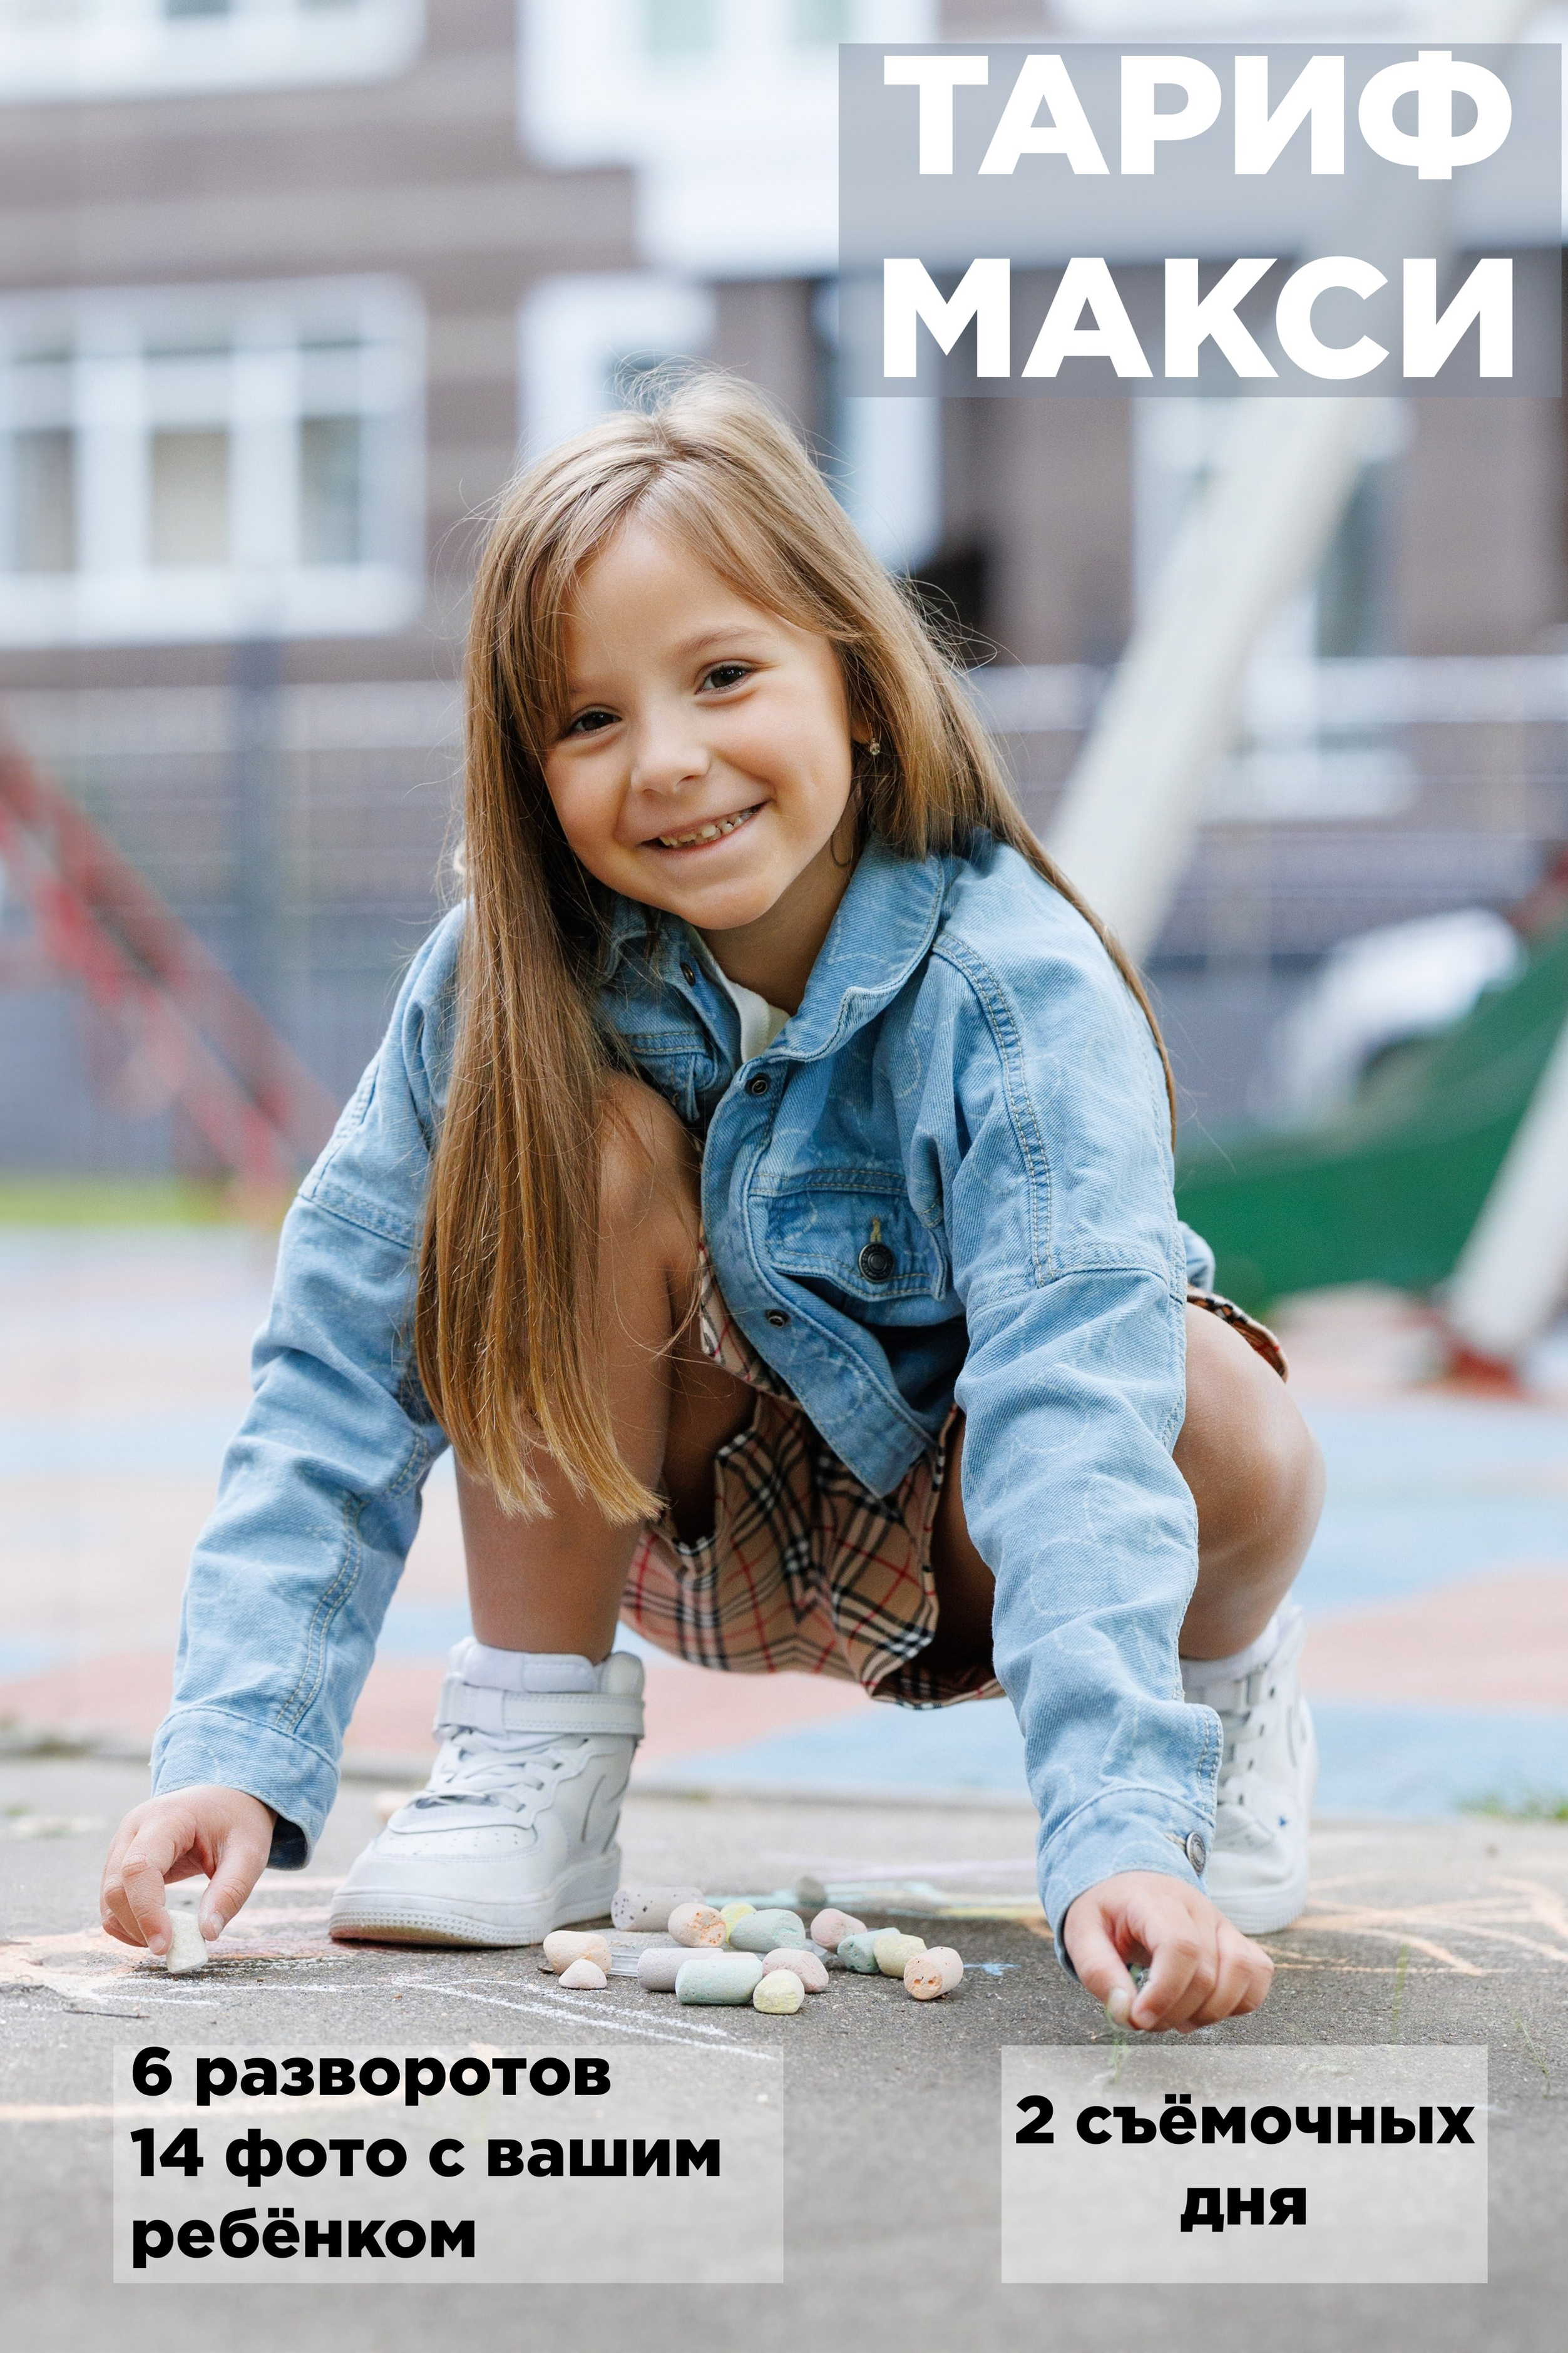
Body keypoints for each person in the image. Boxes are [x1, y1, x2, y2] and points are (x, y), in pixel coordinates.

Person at [100, 374, 1324, 2034]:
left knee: (1206, 1397)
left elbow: (1075, 1407)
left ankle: (1216, 1698)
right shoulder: (501, 982)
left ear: (855, 679)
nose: (668, 762)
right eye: (589, 720)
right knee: (570, 1148)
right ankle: (530, 1759)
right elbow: (335, 1356)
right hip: (681, 1519)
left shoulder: (1012, 986)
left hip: (982, 1534)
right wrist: (234, 1755)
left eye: (724, 676)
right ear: (527, 773)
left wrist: (1118, 1830)